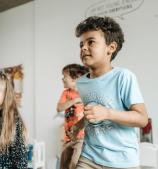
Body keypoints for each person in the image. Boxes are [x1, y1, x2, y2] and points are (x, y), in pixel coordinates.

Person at [66, 16, 148, 169]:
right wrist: (78, 126)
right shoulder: (82, 82)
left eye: (91, 42)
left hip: (122, 160)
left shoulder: (123, 77)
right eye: (81, 44)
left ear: (111, 47)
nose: (83, 48)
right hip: (90, 156)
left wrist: (107, 113)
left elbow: (142, 119)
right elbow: (93, 111)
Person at [57, 64, 89, 169]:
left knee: (76, 163)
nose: (62, 79)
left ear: (74, 78)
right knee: (64, 165)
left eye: (65, 76)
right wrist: (75, 100)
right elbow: (59, 108)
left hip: (81, 136)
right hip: (67, 136)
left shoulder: (85, 93)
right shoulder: (66, 93)